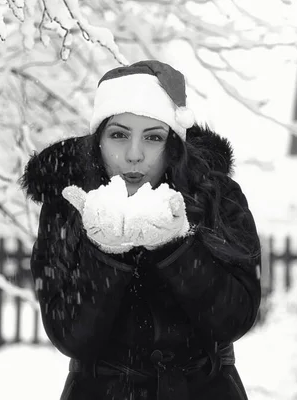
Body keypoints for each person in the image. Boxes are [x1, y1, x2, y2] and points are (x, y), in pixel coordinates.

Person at [21, 60, 262, 400]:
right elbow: (70, 336)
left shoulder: (215, 196)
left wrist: (176, 248)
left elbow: (235, 319)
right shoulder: (68, 203)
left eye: (153, 137)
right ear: (99, 139)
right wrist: (105, 254)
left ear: (173, 143)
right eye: (119, 134)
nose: (134, 155)